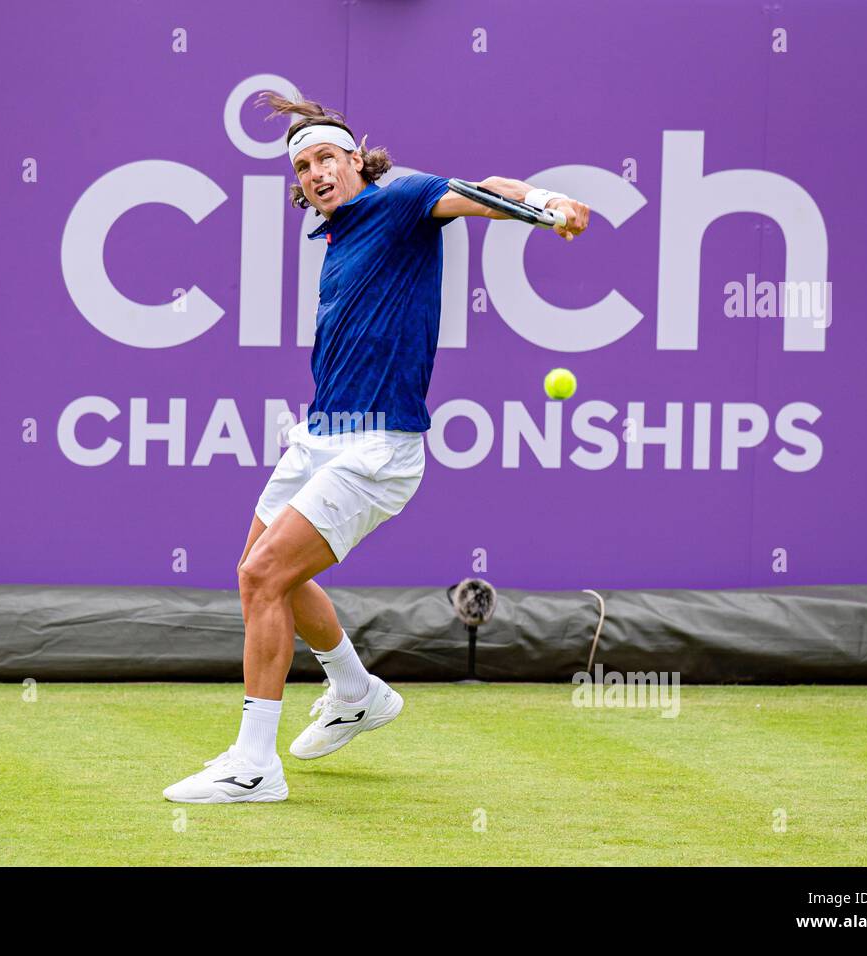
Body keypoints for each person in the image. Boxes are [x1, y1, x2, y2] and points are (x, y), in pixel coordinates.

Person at [163, 92, 589, 803]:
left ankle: (253, 766)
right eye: (303, 166)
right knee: (260, 575)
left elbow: (486, 193)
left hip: (378, 448)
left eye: (327, 157)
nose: (316, 172)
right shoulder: (334, 236)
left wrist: (548, 205)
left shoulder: (403, 199)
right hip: (317, 437)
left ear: (356, 159)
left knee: (267, 576)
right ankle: (357, 694)